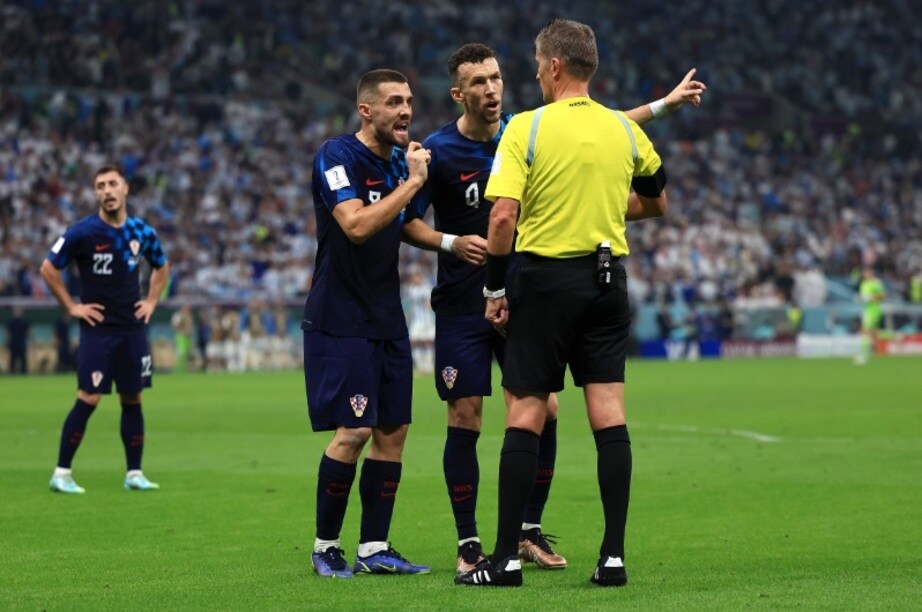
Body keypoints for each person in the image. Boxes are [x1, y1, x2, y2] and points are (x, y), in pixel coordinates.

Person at [405, 43, 705, 575]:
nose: (492, 89)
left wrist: (663, 105)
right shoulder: (437, 150)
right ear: (458, 94)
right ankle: (469, 541)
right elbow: (411, 221)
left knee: (542, 409)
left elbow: (596, 126)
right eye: (478, 83)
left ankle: (525, 533)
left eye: (496, 78)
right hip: (461, 302)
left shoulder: (523, 127)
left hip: (522, 293)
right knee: (467, 412)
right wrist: (451, 243)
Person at [456, 19, 669, 587]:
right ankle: (614, 558)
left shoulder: (526, 127)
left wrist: (495, 288)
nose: (532, 72)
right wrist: (595, 201)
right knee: (609, 415)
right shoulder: (623, 131)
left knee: (525, 413)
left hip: (545, 280)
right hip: (606, 280)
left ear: (553, 66)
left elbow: (502, 217)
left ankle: (502, 561)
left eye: (535, 63)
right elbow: (656, 199)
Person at [303, 68, 469, 579]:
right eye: (394, 101)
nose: (405, 110)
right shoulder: (337, 156)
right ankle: (326, 546)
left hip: (386, 318)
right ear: (367, 110)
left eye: (409, 101)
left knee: (392, 432)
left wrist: (448, 242)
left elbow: (406, 226)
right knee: (354, 430)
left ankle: (374, 548)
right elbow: (354, 225)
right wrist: (415, 182)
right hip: (340, 318)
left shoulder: (401, 160)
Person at [39, 164, 169, 494]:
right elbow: (48, 268)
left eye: (112, 184)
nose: (107, 191)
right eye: (100, 186)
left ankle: (134, 473)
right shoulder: (82, 232)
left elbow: (161, 265)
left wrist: (151, 302)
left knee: (133, 397)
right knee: (90, 396)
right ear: (96, 193)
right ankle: (61, 473)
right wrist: (72, 306)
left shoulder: (141, 231)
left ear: (125, 189)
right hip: (98, 331)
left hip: (132, 329)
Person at [855, 266, 886, 365]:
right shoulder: (863, 284)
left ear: (871, 273)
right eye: (864, 272)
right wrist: (861, 298)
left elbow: (882, 296)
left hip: (874, 310)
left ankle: (864, 354)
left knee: (866, 331)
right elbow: (863, 297)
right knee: (873, 333)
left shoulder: (876, 283)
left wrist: (870, 297)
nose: (866, 274)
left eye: (867, 272)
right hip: (867, 310)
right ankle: (877, 352)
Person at [6, 306, 30, 374]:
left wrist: (30, 341)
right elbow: (8, 333)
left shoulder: (25, 322)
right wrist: (7, 342)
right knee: (13, 359)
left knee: (23, 359)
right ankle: (12, 372)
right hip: (13, 343)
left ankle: (24, 372)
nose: (17, 313)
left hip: (21, 343)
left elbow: (28, 332)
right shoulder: (11, 322)